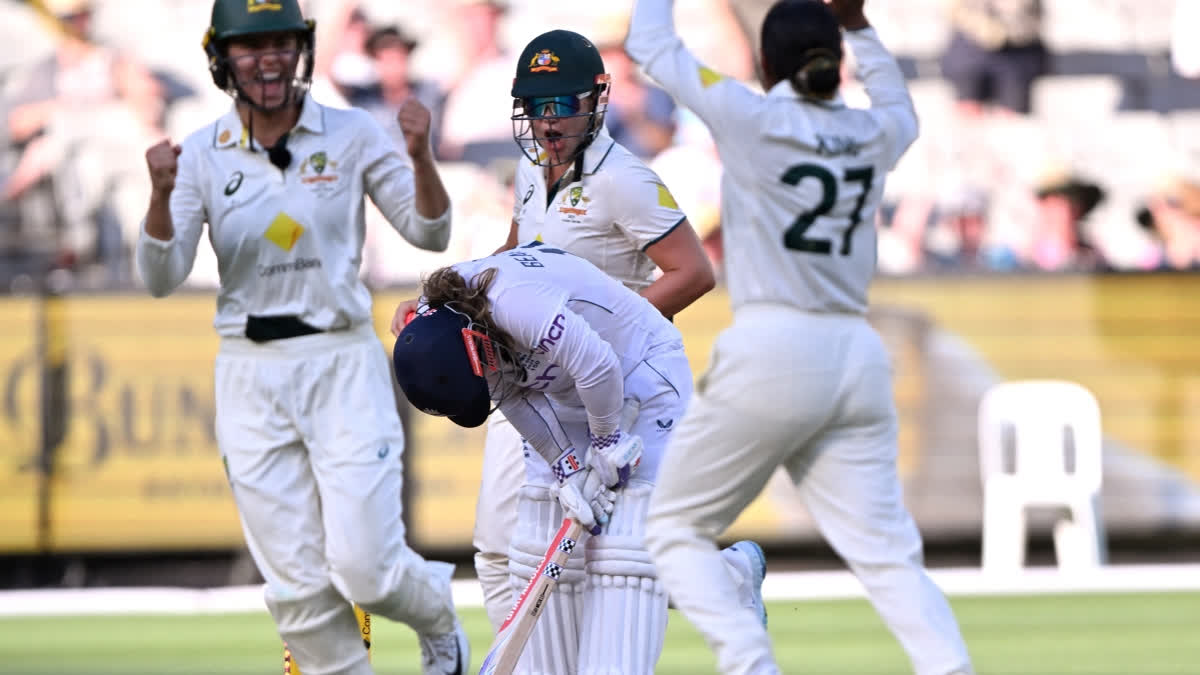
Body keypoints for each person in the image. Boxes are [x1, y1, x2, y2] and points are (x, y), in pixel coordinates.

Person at [626, 1, 975, 674]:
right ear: (837, 62)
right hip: (855, 350)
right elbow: (904, 111)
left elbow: (649, 43)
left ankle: (752, 663)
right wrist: (863, 27)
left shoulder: (750, 115)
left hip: (773, 344)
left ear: (764, 63)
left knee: (673, 530)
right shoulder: (872, 133)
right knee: (889, 556)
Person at [135, 1, 468, 674]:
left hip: (340, 358)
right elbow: (162, 277)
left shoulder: (351, 132)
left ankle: (437, 613)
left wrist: (419, 156)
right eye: (251, 45)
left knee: (367, 570)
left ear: (303, 49)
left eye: (282, 42)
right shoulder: (199, 154)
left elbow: (429, 232)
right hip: (251, 373)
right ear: (222, 57)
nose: (269, 58)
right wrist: (160, 196)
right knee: (297, 588)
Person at [419, 27, 718, 635]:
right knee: (498, 547)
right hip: (525, 377)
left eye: (562, 104)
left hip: (596, 388)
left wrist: (608, 342)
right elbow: (513, 255)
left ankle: (730, 580)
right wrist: (446, 303)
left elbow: (694, 272)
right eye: (535, 105)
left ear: (596, 100)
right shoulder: (532, 174)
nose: (547, 121)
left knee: (610, 558)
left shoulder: (625, 180)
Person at [391, 242, 757, 674]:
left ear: (473, 343)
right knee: (538, 540)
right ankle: (723, 577)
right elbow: (512, 394)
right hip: (561, 389)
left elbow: (599, 366)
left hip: (640, 373)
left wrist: (606, 442)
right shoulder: (451, 331)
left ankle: (729, 580)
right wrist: (566, 467)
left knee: (623, 557)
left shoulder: (517, 304)